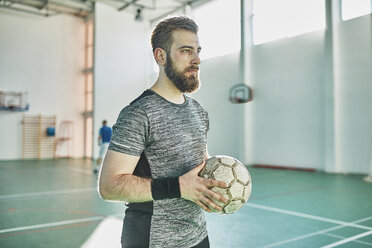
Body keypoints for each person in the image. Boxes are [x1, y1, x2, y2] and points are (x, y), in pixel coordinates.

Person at [98, 16, 228, 248]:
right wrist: (179, 187)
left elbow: (199, 167)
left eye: (198, 50)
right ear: (160, 56)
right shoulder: (138, 114)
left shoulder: (199, 112)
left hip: (198, 236)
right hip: (152, 240)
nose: (197, 59)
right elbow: (109, 186)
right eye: (186, 51)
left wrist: (216, 185)